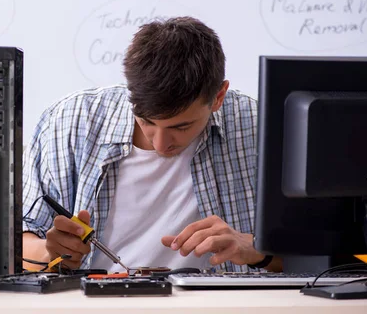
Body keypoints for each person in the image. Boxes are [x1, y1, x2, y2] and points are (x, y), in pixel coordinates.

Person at [22, 17, 282, 273]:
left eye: (180, 127)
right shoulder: (71, 121)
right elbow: (16, 244)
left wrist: (259, 251)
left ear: (218, 98)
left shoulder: (260, 127)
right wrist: (49, 253)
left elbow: (316, 260)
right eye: (146, 122)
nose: (160, 144)